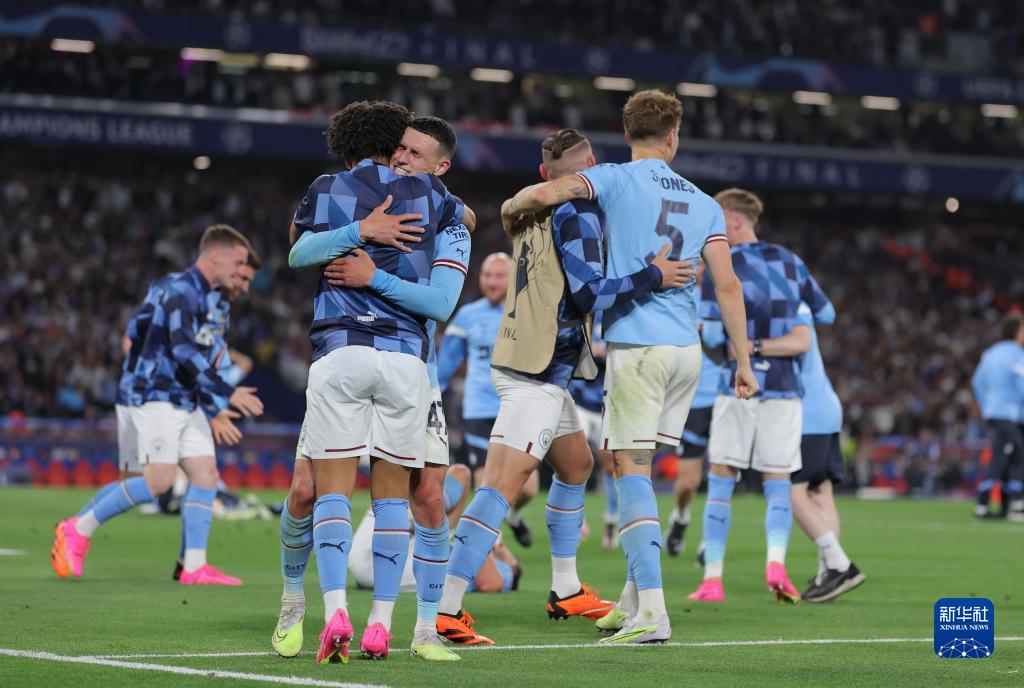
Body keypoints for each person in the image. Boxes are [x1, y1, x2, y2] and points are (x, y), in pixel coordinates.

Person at [501, 92, 756, 645]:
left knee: (628, 469)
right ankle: (631, 602)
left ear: (627, 134)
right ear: (673, 137)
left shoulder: (613, 178)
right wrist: (743, 361)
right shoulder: (705, 203)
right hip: (686, 351)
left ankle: (654, 615)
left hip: (640, 346)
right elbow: (728, 285)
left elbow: (544, 193)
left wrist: (512, 205)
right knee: (638, 465)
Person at [288, 100, 467, 664]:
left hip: (344, 351)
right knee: (390, 500)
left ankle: (337, 611)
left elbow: (297, 250)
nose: (406, 158)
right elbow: (465, 218)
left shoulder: (326, 187)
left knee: (338, 493)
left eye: (417, 152)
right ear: (392, 145)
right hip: (404, 360)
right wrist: (370, 228)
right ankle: (381, 624)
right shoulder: (437, 198)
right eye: (402, 148)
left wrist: (357, 238)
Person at [50, 225, 264, 585]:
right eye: (240, 268)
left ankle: (193, 566)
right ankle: (76, 528)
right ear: (217, 255)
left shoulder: (219, 304)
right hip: (153, 395)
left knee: (204, 474)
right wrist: (223, 393)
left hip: (187, 399)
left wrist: (212, 407)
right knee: (153, 481)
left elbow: (206, 357)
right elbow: (171, 346)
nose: (243, 281)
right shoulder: (178, 289)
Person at [689, 187, 834, 605]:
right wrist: (790, 312)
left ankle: (712, 580)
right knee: (778, 480)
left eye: (718, 217)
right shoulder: (791, 261)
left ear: (734, 219)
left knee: (722, 477)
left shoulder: (720, 262)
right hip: (785, 387)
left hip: (737, 383)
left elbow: (713, 336)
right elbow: (826, 313)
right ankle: (777, 567)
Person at [438, 253, 541, 548]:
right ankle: (488, 552)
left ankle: (514, 517)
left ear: (513, 279)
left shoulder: (530, 312)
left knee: (529, 488)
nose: (492, 282)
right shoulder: (467, 316)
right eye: (487, 275)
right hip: (480, 412)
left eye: (499, 276)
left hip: (518, 409)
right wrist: (431, 393)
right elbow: (446, 364)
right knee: (488, 486)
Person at [664, 259, 724, 557]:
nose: (698, 268)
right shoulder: (672, 300)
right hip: (692, 400)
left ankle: (710, 540)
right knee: (688, 482)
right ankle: (681, 515)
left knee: (722, 475)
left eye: (702, 263)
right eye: (694, 262)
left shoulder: (723, 295)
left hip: (725, 398)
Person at [971, 314, 1024, 521]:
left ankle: (998, 506)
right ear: (1016, 332)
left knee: (1002, 456)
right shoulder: (1017, 354)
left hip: (993, 413)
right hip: (1010, 414)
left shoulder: (991, 353)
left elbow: (977, 382)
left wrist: (987, 406)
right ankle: (1017, 503)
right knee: (1016, 456)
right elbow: (1021, 385)